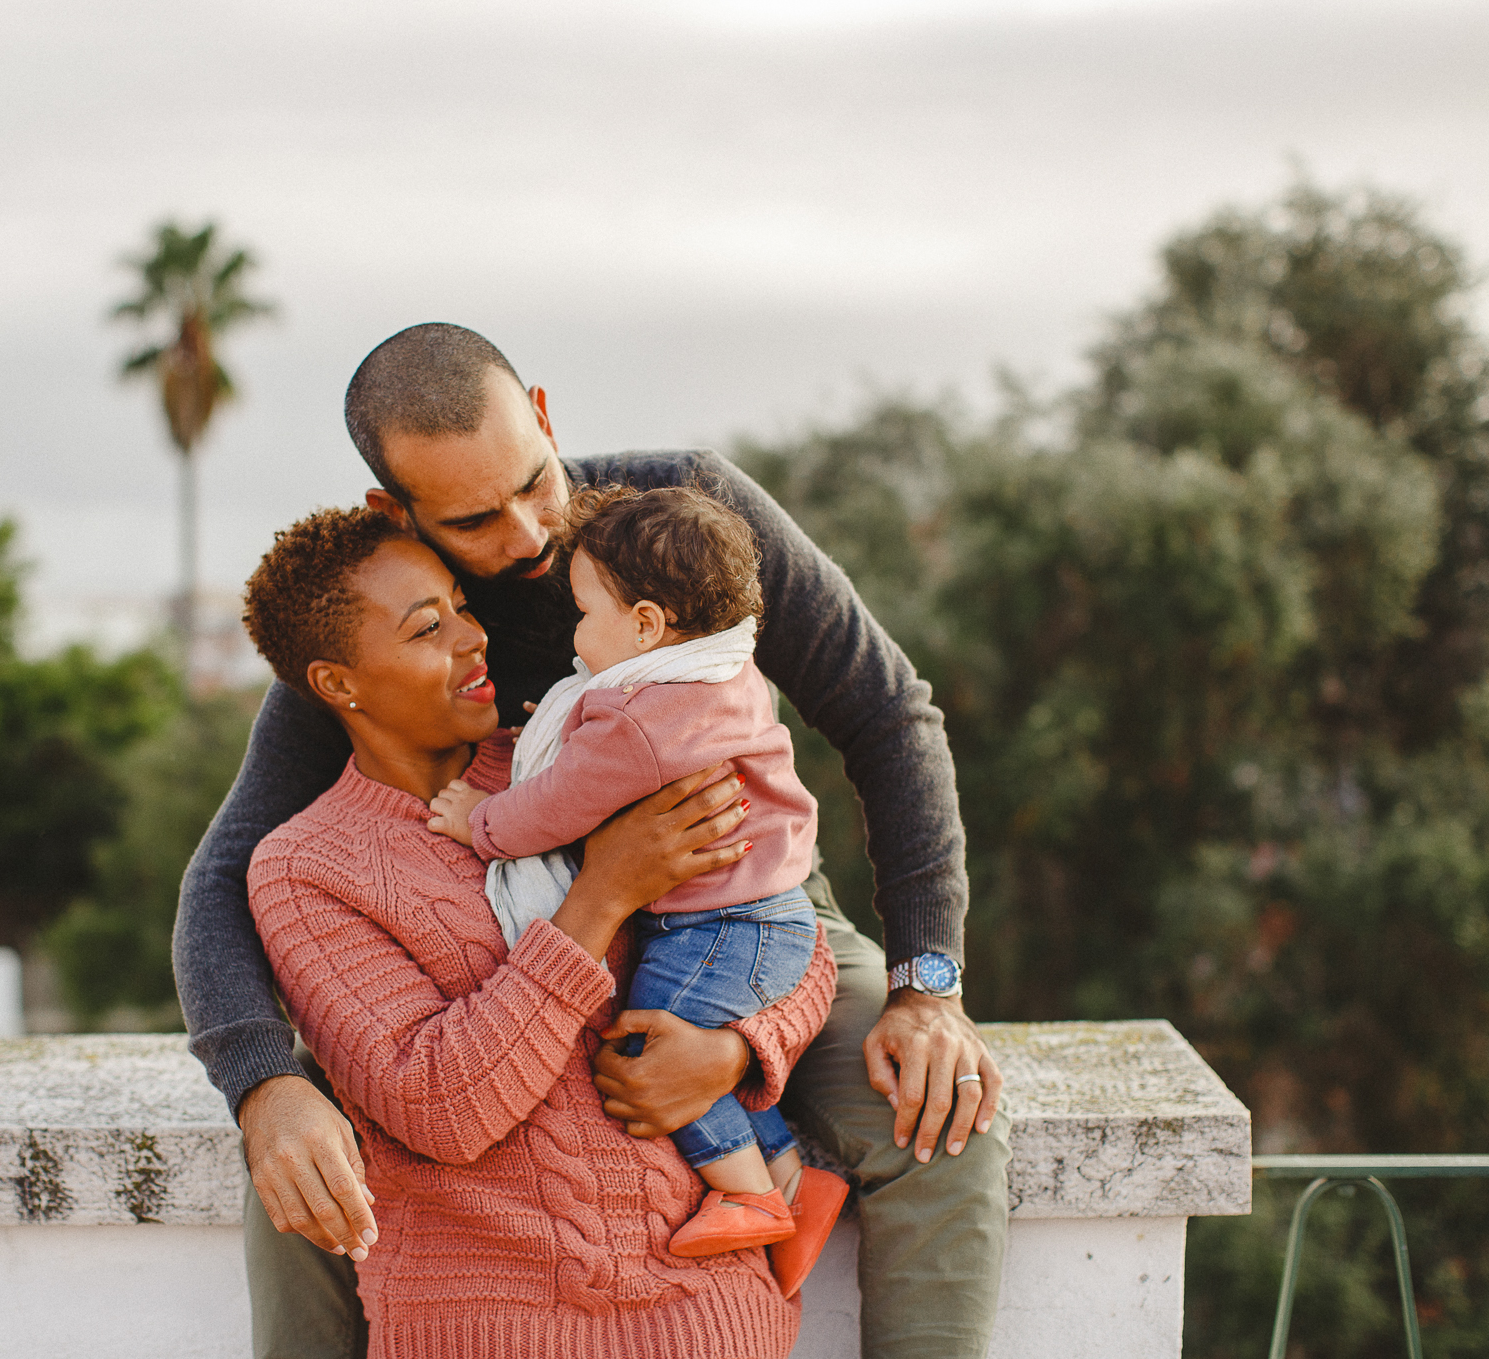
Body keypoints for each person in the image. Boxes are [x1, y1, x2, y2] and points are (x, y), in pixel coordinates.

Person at [176, 323, 1012, 1359]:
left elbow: (888, 715)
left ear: (541, 413)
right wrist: (261, 1085)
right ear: (398, 511)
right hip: (540, 931)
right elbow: (227, 870)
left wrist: (926, 984)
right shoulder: (395, 619)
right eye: (476, 519)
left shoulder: (678, 514)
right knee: (312, 1159)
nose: (528, 534)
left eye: (534, 483)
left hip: (742, 894)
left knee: (940, 1116)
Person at [241, 506, 838, 1357]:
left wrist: (739, 1049)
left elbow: (778, 923)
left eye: (459, 603)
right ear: (340, 684)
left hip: (714, 1318)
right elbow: (441, 1107)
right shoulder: (307, 869)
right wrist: (601, 894)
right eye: (427, 627)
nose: (471, 636)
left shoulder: (591, 756)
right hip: (493, 1330)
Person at [425, 482, 849, 1272]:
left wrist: (476, 820)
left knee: (643, 1054)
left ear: (648, 625)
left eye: (585, 614)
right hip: (764, 917)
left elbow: (553, 807)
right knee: (680, 1050)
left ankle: (748, 1193)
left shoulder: (636, 720)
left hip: (724, 926)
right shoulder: (721, 673)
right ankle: (794, 1181)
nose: (575, 634)